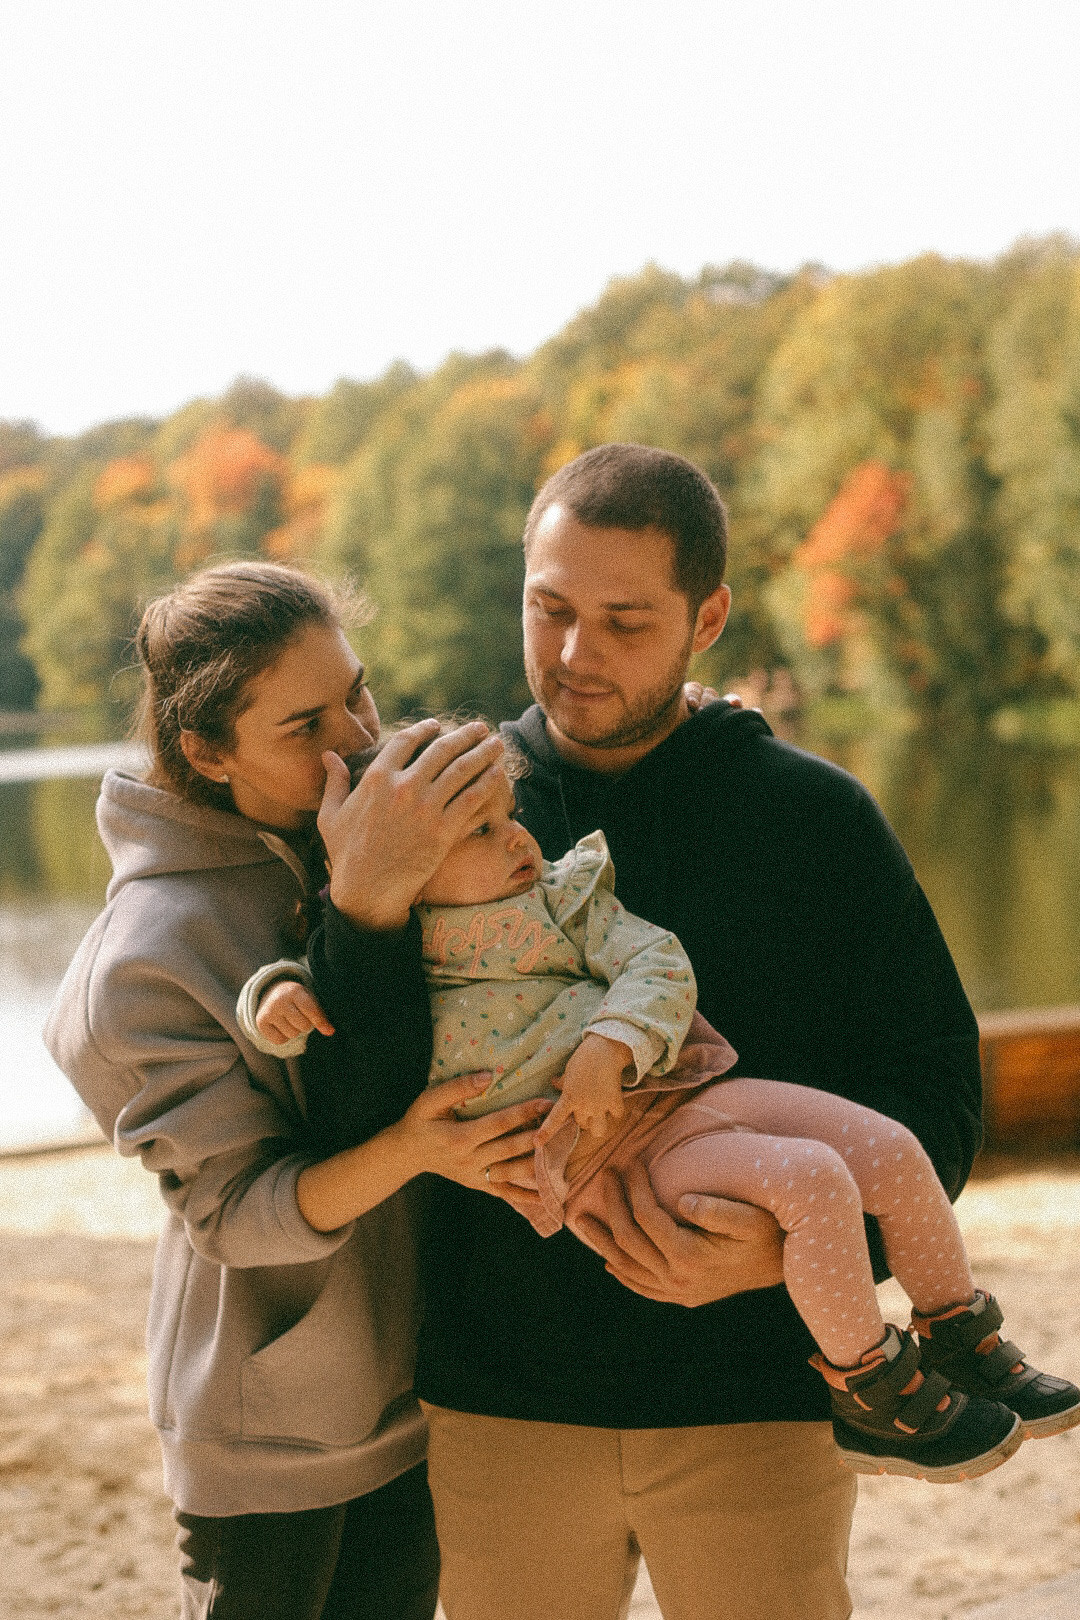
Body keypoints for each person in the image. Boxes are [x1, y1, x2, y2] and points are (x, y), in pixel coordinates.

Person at [294, 444, 1001, 1620]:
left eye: (625, 620)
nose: (576, 655)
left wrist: (804, 1257)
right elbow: (347, 1110)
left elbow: (932, 1094)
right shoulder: (430, 816)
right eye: (551, 609)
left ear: (708, 615)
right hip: (501, 1402)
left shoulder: (817, 821)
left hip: (759, 1399)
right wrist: (362, 910)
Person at [242, 765, 1078, 1486]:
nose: (517, 838)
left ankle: (955, 1332)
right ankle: (870, 1392)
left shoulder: (564, 897)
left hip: (689, 1085)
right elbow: (325, 995)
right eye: (482, 832)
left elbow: (657, 960)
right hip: (621, 1161)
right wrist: (274, 998)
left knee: (892, 1150)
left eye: (511, 814)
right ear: (408, 867)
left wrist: (612, 1041)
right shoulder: (391, 951)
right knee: (815, 1181)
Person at [42, 560, 552, 1620]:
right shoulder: (146, 960)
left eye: (359, 691)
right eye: (304, 722)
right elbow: (235, 1217)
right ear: (205, 751)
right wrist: (416, 1147)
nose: (358, 738)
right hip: (267, 1421)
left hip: (416, 1382)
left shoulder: (358, 830)